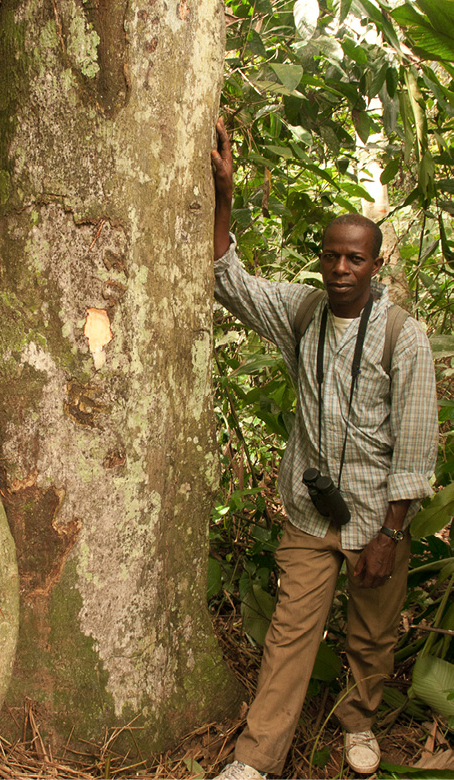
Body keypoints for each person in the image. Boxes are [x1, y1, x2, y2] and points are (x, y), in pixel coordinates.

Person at [210, 117, 438, 779]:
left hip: (376, 518)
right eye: (331, 255)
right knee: (289, 635)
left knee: (371, 635)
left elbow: (417, 444)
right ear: (320, 257)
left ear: (374, 263)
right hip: (312, 512)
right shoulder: (302, 312)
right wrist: (224, 193)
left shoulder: (403, 336)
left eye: (354, 258)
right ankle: (255, 758)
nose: (340, 269)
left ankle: (358, 720)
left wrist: (390, 533)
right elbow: (230, 280)